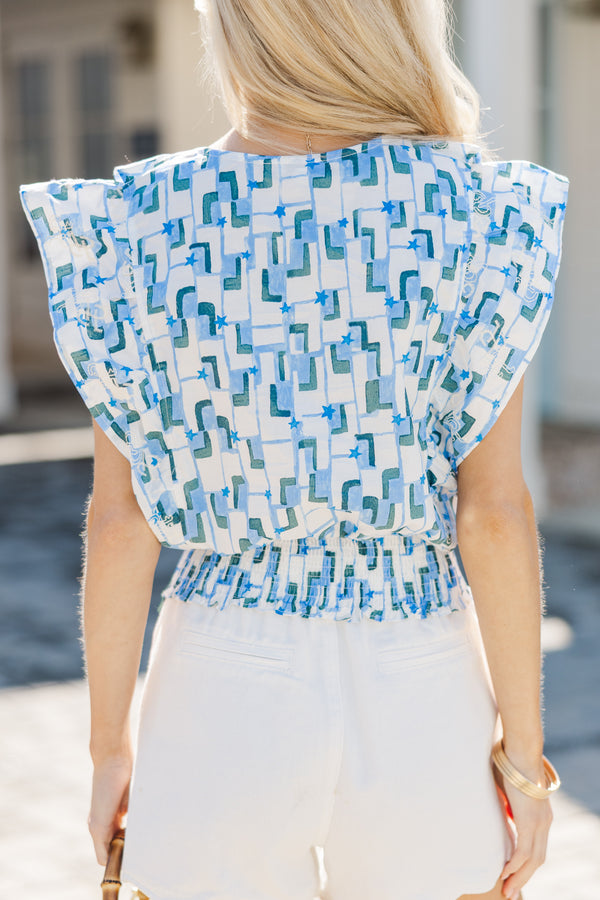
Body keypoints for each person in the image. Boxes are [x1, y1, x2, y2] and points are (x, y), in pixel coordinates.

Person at [20, 1, 568, 898]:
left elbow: (122, 522)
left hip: (220, 672)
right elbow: (494, 514)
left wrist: (109, 748)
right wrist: (525, 763)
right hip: (419, 668)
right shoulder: (476, 212)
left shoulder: (135, 224)